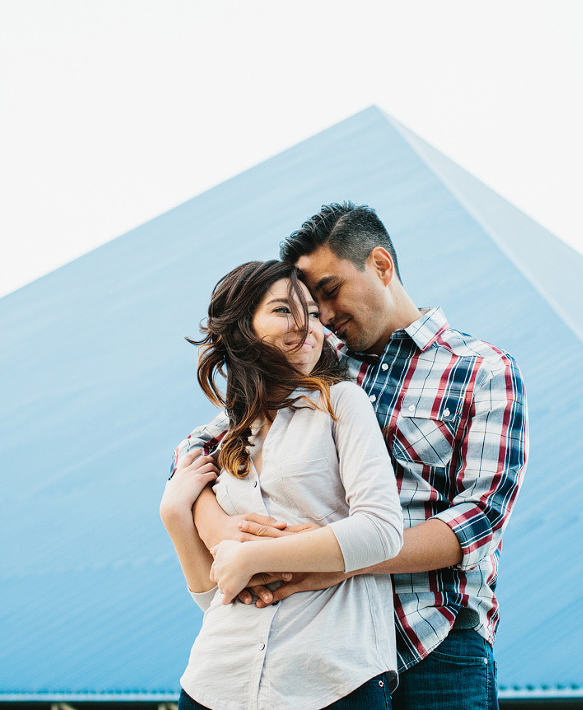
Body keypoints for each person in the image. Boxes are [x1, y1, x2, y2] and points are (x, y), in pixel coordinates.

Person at [177, 203, 529, 710]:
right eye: (305, 305)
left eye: (328, 291)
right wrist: (219, 531)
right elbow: (199, 449)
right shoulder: (315, 364)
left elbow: (479, 519)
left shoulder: (481, 369)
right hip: (322, 644)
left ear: (381, 266)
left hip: (433, 639)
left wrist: (342, 561)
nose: (318, 316)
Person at [160, 259, 404, 710]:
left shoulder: (341, 403)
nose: (308, 326)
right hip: (215, 682)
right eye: (283, 311)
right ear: (242, 328)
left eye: (312, 313)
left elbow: (383, 531)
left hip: (332, 679)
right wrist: (175, 515)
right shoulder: (229, 434)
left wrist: (253, 554)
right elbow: (218, 593)